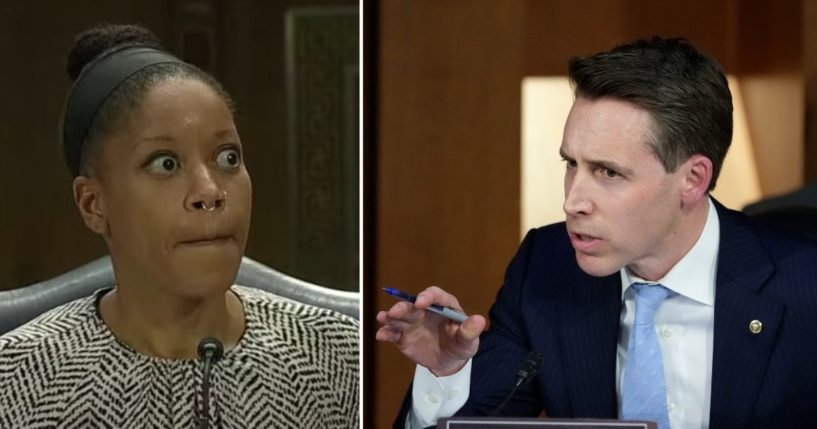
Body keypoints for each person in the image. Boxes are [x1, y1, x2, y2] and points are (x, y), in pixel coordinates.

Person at [377, 37, 817, 429]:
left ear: (693, 179)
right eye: (572, 164)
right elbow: (482, 420)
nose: (573, 201)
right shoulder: (544, 267)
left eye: (608, 172)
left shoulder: (804, 284)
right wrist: (448, 373)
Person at [0, 24, 358, 428]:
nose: (210, 191)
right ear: (93, 204)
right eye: (165, 164)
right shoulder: (15, 381)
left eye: (227, 158)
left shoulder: (339, 354)